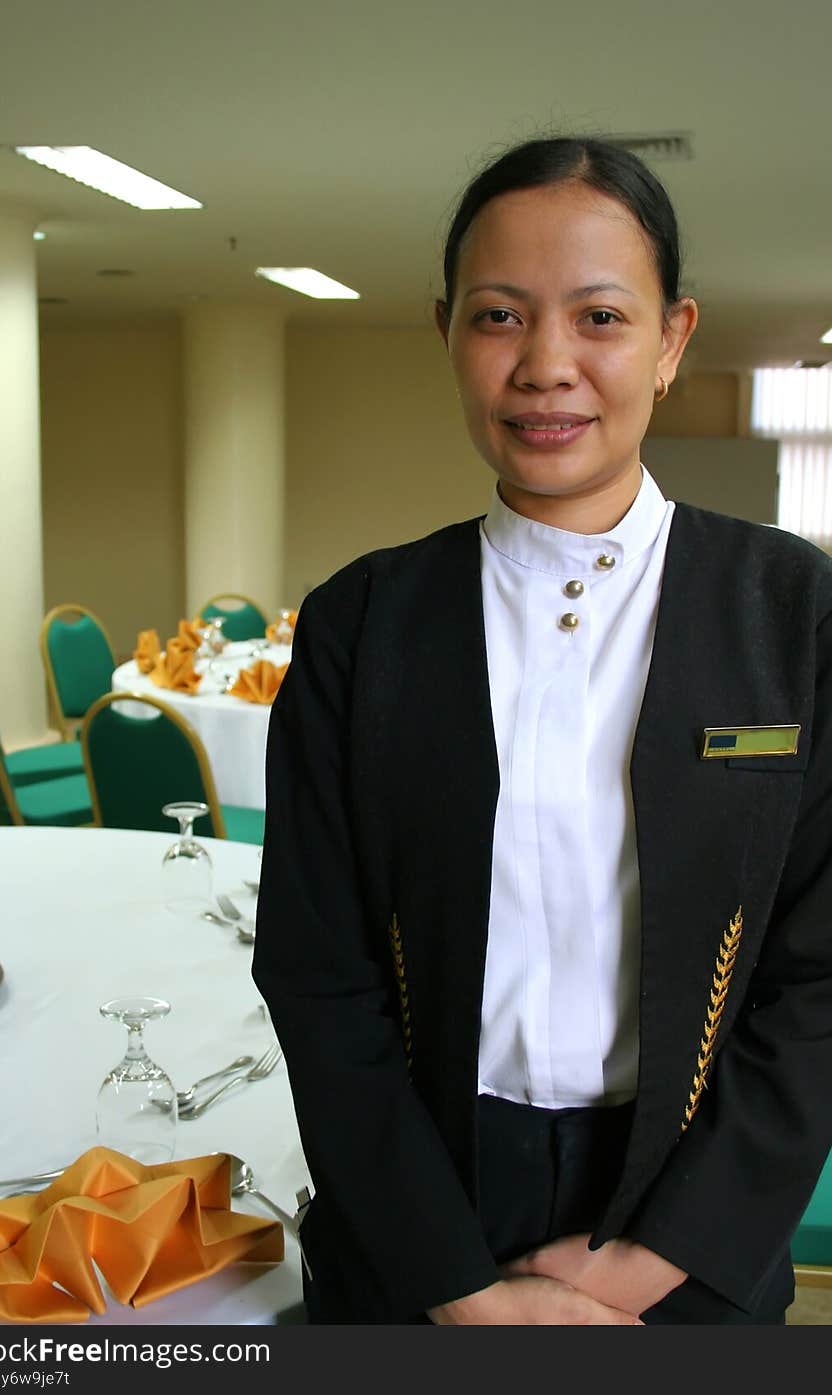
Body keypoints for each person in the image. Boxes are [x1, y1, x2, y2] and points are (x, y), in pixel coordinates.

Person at [251, 135, 832, 1324]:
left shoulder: (793, 612)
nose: (546, 366)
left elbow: (820, 978)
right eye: (500, 317)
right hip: (415, 1216)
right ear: (448, 334)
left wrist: (646, 1265)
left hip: (691, 1213)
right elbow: (319, 977)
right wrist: (458, 1288)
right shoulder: (363, 623)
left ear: (671, 341)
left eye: (601, 319)